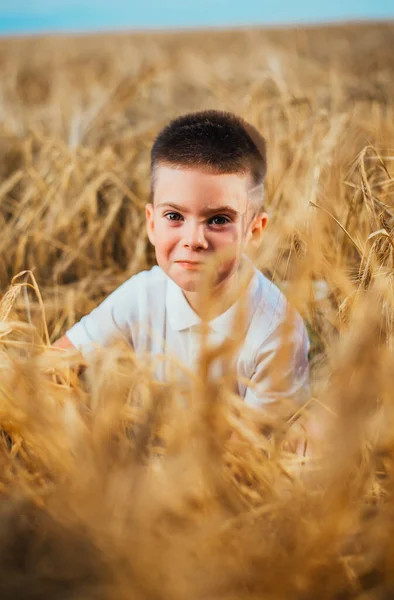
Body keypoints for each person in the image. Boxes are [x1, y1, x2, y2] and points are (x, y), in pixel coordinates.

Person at [55, 110, 309, 411]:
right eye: (174, 216)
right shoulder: (141, 296)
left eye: (218, 219)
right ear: (151, 224)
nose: (194, 240)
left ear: (254, 230)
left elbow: (251, 454)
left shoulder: (276, 334)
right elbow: (51, 368)